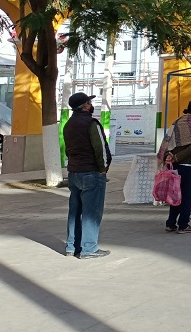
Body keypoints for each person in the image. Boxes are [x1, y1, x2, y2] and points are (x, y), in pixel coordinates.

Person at [63, 92, 112, 259]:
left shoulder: (68, 125)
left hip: (74, 173)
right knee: (92, 212)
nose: (91, 104)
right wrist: (103, 170)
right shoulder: (91, 123)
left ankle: (72, 247)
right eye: (89, 102)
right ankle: (89, 249)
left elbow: (68, 150)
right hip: (91, 173)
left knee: (74, 212)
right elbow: (101, 150)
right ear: (85, 105)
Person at [163, 99, 191, 234]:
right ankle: (183, 224)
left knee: (176, 193)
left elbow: (169, 140)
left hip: (175, 164)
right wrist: (178, 157)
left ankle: (171, 223)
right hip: (188, 164)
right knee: (186, 195)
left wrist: (171, 156)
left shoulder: (178, 121)